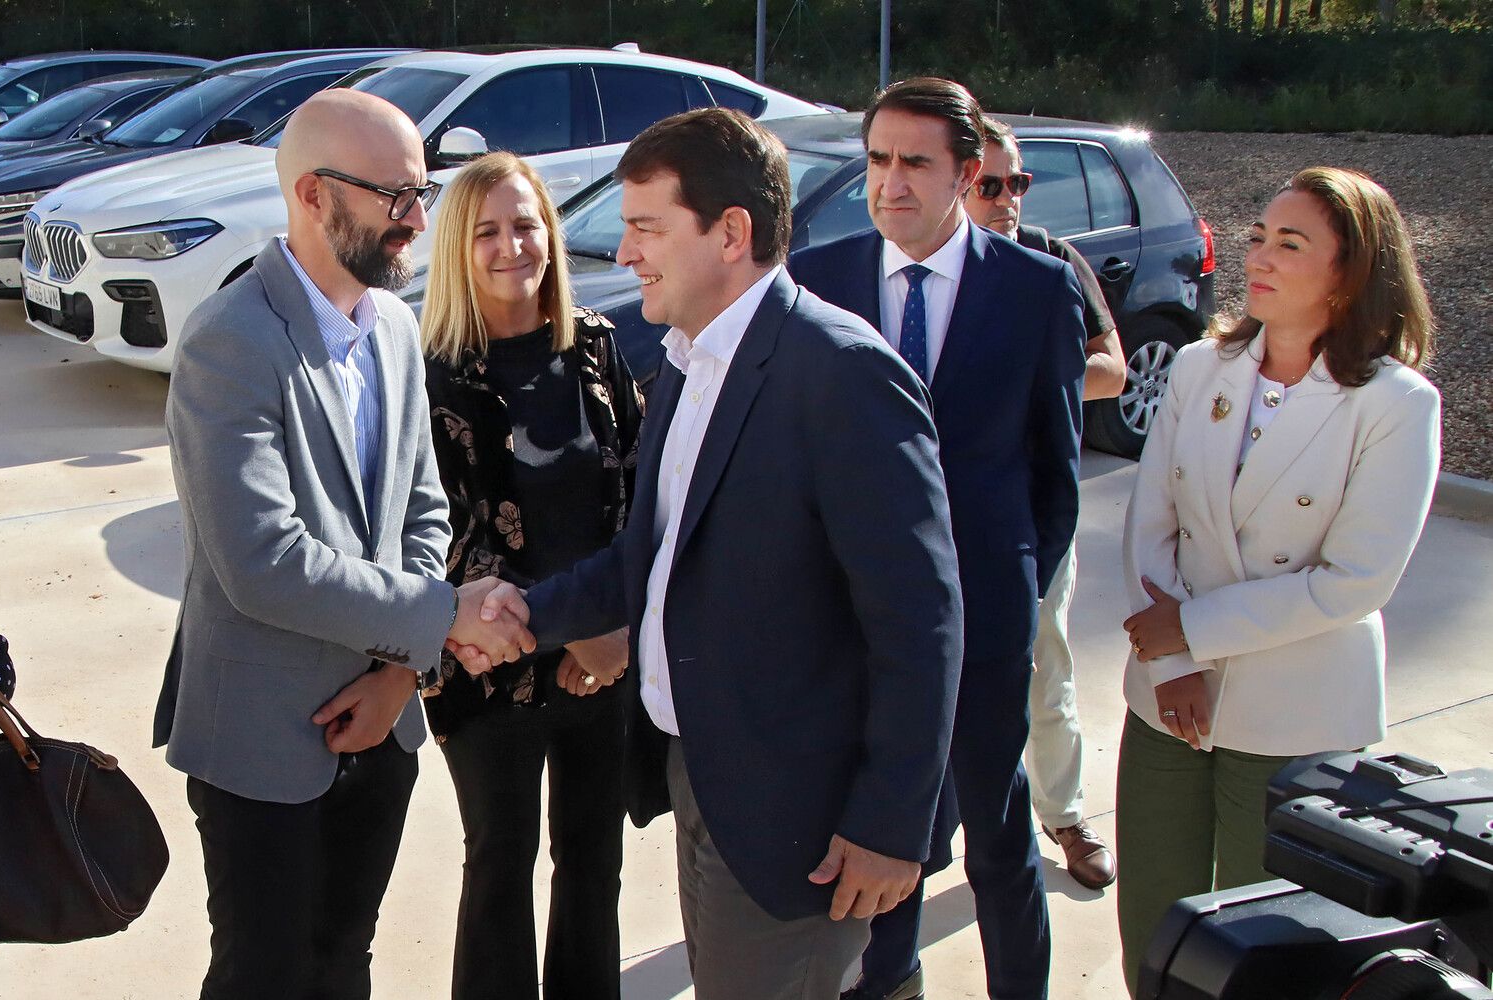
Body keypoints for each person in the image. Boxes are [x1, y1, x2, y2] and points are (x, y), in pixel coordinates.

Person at [455, 107, 965, 1000]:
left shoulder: (842, 373)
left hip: (794, 814)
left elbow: (921, 625)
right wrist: (526, 614)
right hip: (703, 778)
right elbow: (644, 560)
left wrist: (893, 823)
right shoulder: (689, 360)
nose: (623, 255)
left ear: (731, 233)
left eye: (647, 228)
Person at [152, 89, 532, 1000]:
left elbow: (423, 511)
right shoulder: (228, 341)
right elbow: (263, 563)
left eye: (421, 191)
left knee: (343, 963)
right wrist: (444, 615)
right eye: (395, 196)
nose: (417, 220)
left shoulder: (396, 327)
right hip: (259, 736)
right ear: (316, 195)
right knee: (265, 976)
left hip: (384, 719)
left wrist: (400, 671)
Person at [791, 78, 1087, 1000]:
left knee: (998, 842)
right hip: (854, 622)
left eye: (916, 162)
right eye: (878, 160)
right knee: (885, 833)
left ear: (967, 174)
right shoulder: (820, 278)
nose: (892, 183)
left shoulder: (1037, 292)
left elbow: (1057, 477)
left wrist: (1006, 594)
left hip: (987, 622)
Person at [1116, 166, 1439, 995]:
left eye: (1289, 244)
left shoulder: (1396, 404)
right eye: (1258, 237)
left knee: (1266, 947)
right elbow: (1151, 521)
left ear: (1351, 271)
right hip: (1167, 698)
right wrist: (1171, 660)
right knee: (1155, 925)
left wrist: (1194, 632)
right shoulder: (1198, 367)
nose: (1258, 255)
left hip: (1298, 711)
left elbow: (1354, 581)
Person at [419, 151, 642, 1000]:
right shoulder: (434, 370)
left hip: (602, 662)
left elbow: (637, 495)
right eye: (487, 231)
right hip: (488, 667)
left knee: (593, 862)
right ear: (457, 250)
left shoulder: (595, 347)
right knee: (500, 865)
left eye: (526, 224)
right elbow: (437, 531)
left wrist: (611, 630)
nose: (512, 245)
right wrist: (566, 623)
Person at [965, 115, 1123, 891]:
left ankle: (1063, 813)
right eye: (991, 185)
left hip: (1031, 515)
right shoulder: (921, 276)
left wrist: (1035, 378)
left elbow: (1113, 369)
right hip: (935, 518)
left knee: (1044, 670)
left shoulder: (1054, 265)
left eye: (1018, 183)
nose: (1008, 200)